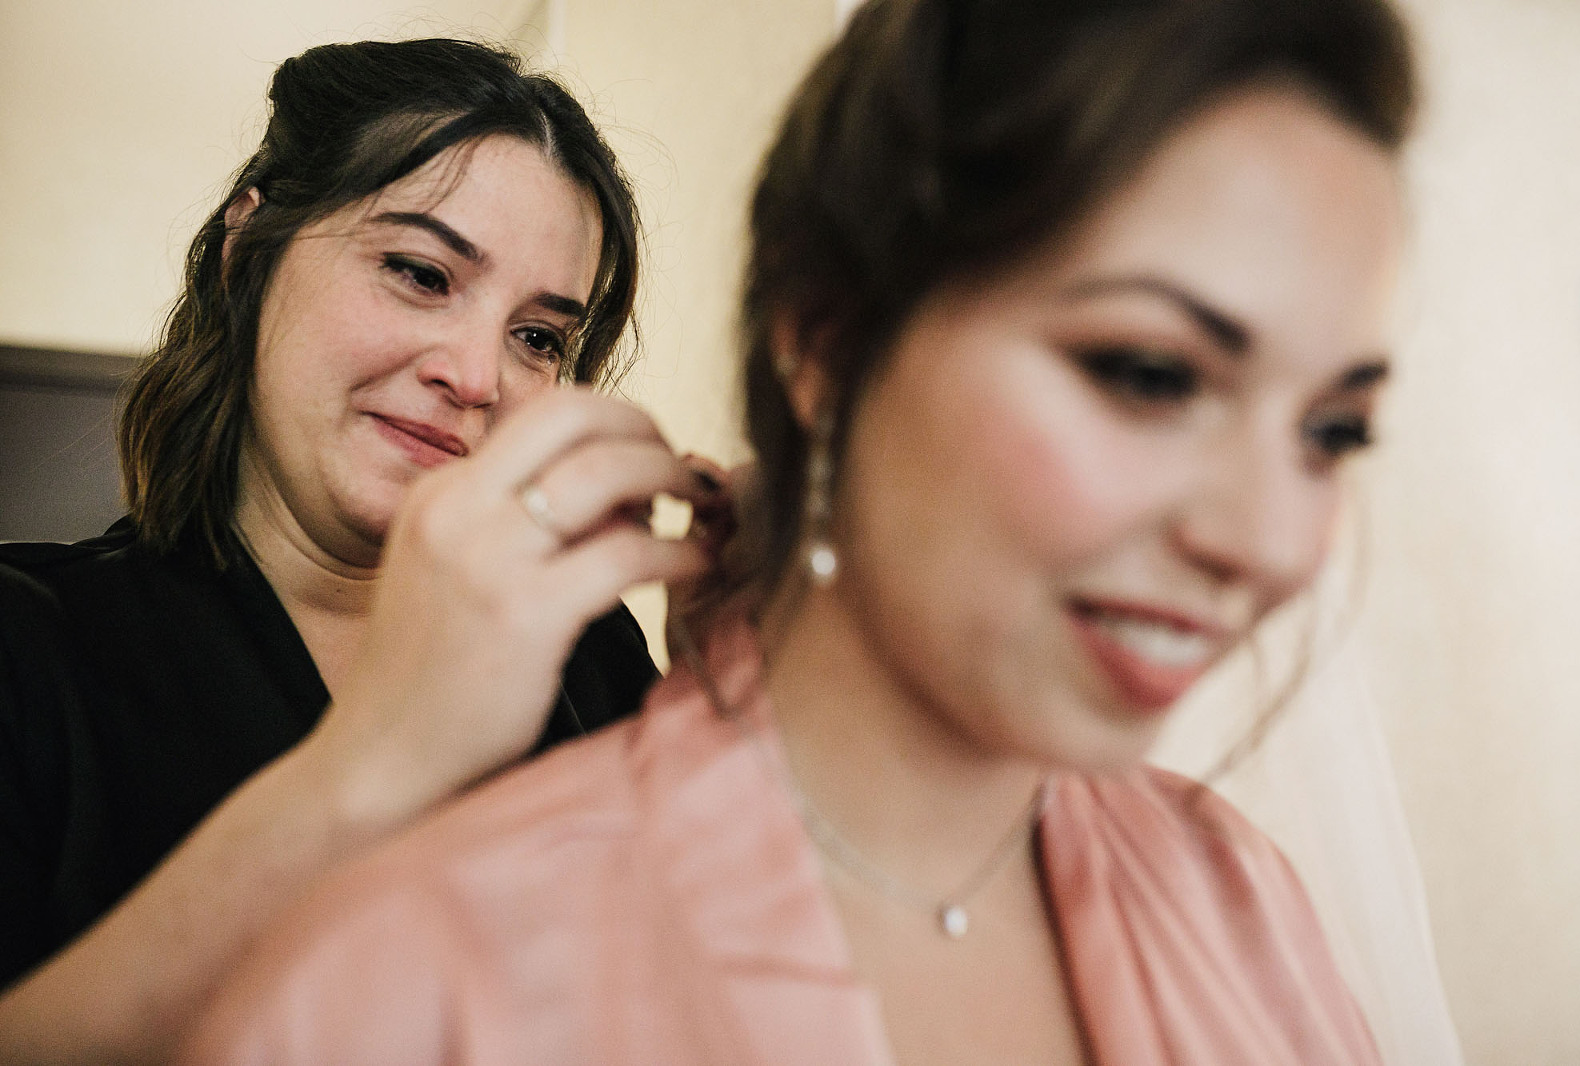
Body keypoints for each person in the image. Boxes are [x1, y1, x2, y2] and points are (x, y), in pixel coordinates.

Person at [182, 0, 1416, 1062]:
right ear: (826, 342)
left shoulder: (1236, 889)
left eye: (1331, 432)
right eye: (1147, 372)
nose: (1264, 539)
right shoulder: (407, 975)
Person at [0, 37, 722, 1065]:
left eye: (539, 337)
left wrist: (720, 696)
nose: (477, 374)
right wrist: (382, 759)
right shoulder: (32, 649)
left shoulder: (584, 656)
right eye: (421, 272)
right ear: (247, 247)